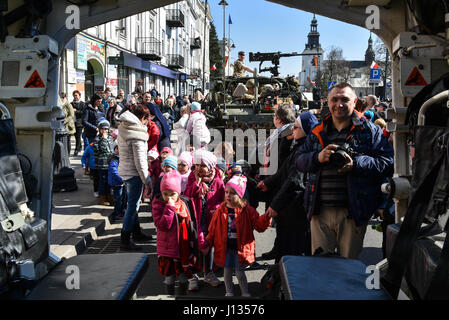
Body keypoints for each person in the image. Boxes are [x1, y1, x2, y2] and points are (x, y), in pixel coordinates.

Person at [296, 82, 394, 259]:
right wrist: (318, 158)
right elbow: (299, 161)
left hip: (353, 213)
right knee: (320, 268)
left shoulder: (369, 131)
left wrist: (356, 164)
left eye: (344, 99)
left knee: (348, 270)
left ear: (354, 102)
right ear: (328, 102)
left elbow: (387, 162)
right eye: (334, 99)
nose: (339, 104)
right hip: (320, 212)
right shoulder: (318, 131)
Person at [258, 112, 318, 262]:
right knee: (284, 241)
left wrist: (275, 205)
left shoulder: (305, 151)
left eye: (296, 128)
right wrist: (267, 183)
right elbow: (283, 171)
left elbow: (294, 181)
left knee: (293, 247)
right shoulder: (298, 146)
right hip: (288, 206)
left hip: (295, 208)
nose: (292, 130)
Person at [202, 175, 272, 297]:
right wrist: (207, 242)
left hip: (240, 248)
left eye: (232, 193)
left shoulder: (247, 210)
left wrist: (266, 217)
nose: (228, 196)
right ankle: (229, 292)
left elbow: (259, 226)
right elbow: (212, 228)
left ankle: (245, 292)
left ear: (239, 195)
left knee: (240, 272)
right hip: (226, 247)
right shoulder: (220, 210)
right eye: (227, 192)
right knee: (227, 271)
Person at [152, 170, 200, 296]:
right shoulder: (158, 205)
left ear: (178, 193)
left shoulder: (184, 203)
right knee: (170, 278)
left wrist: (193, 242)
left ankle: (181, 296)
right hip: (168, 251)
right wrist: (169, 208)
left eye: (172, 194)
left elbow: (190, 222)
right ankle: (170, 296)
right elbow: (163, 225)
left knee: (183, 277)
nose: (168, 197)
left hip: (182, 249)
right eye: (165, 194)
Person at [259, 104, 296, 260]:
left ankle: (281, 256)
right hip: (276, 181)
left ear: (279, 119)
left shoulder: (286, 135)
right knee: (281, 223)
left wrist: (269, 179)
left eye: (274, 117)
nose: (273, 119)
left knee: (284, 223)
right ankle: (278, 250)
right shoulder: (282, 133)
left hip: (281, 183)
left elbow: (281, 163)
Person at [184, 149, 225, 287]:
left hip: (210, 220)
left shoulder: (218, 181)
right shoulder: (192, 177)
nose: (199, 169)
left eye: (202, 166)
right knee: (193, 246)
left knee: (209, 245)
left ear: (210, 167)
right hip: (194, 219)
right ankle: (193, 276)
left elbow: (223, 199)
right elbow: (188, 194)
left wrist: (218, 207)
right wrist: (197, 182)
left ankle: (208, 273)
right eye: (196, 165)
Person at [118, 104, 154, 250]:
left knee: (134, 204)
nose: (147, 123)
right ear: (143, 118)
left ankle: (136, 232)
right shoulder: (137, 134)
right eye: (147, 120)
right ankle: (125, 239)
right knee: (132, 207)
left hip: (126, 171)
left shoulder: (125, 127)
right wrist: (147, 181)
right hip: (134, 173)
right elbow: (140, 162)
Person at [93, 120, 113, 206]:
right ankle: (102, 197)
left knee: (109, 181)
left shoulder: (110, 138)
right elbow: (104, 149)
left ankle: (109, 196)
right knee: (103, 181)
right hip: (102, 164)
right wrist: (104, 139)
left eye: (106, 129)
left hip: (110, 163)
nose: (105, 130)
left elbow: (111, 150)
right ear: (100, 130)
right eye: (103, 129)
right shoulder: (97, 139)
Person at [108, 141, 126, 223]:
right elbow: (114, 171)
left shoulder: (122, 158)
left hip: (122, 182)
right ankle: (117, 213)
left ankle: (121, 211)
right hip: (117, 182)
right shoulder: (114, 159)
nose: (119, 150)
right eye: (117, 148)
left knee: (122, 198)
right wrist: (121, 179)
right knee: (118, 199)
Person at [71, 90, 86, 155]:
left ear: (79, 96)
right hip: (73, 122)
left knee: (78, 136)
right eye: (74, 95)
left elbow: (84, 113)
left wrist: (76, 111)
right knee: (76, 135)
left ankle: (76, 149)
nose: (75, 97)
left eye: (76, 95)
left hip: (80, 122)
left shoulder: (82, 104)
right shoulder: (71, 103)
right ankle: (79, 146)